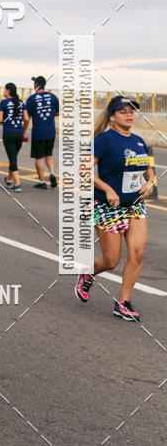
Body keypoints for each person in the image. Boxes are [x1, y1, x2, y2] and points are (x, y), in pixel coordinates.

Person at [76, 96, 155, 321]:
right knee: (111, 261)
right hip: (109, 207)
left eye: (131, 111)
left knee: (138, 254)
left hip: (135, 206)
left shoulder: (138, 141)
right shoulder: (104, 140)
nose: (129, 115)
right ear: (112, 117)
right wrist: (107, 189)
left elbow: (148, 170)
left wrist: (150, 183)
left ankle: (123, 303)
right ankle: (88, 273)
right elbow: (83, 169)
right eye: (123, 111)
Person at [23, 76, 60, 189]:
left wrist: (23, 132)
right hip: (51, 131)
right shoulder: (53, 97)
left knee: (38, 157)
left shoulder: (31, 99)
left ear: (36, 85)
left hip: (38, 132)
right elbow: (57, 112)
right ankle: (52, 173)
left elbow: (27, 118)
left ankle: (42, 181)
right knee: (49, 155)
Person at [0, 83, 25, 191]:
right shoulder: (21, 103)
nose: (3, 92)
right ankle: (9, 180)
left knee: (12, 158)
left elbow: (0, 120)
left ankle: (17, 184)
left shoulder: (3, 103)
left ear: (8, 91)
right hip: (19, 133)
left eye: (4, 89)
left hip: (8, 133)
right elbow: (26, 118)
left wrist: (5, 121)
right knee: (13, 156)